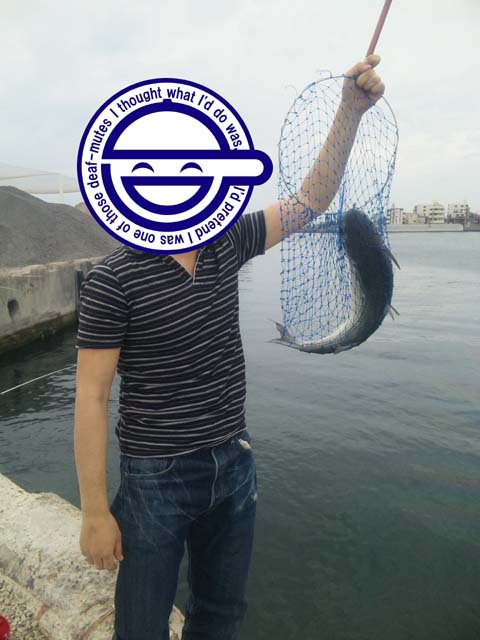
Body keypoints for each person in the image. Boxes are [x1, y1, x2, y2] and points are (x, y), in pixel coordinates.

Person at [74, 55, 385, 640]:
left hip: (234, 462)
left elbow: (310, 200)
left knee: (221, 616)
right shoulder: (113, 278)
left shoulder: (228, 239)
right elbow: (91, 397)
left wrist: (349, 111)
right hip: (155, 479)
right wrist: (94, 510)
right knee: (140, 626)